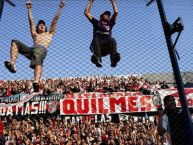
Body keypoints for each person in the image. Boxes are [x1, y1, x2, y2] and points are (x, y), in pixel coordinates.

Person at [4, 0, 65, 92]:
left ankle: (36, 81)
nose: (42, 26)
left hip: (41, 49)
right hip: (32, 50)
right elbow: (31, 22)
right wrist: (29, 9)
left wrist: (60, 8)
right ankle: (12, 64)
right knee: (15, 42)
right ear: (37, 28)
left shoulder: (49, 34)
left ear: (45, 28)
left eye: (43, 25)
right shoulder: (35, 34)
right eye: (40, 25)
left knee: (38, 55)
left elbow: (54, 21)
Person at [84, 0, 120, 68]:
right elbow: (86, 12)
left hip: (106, 48)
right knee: (96, 39)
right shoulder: (97, 22)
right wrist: (91, 1)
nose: (108, 15)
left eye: (108, 15)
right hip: (96, 47)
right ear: (101, 16)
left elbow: (116, 12)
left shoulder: (110, 24)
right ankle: (98, 60)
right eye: (106, 14)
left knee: (112, 40)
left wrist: (113, 1)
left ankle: (113, 60)